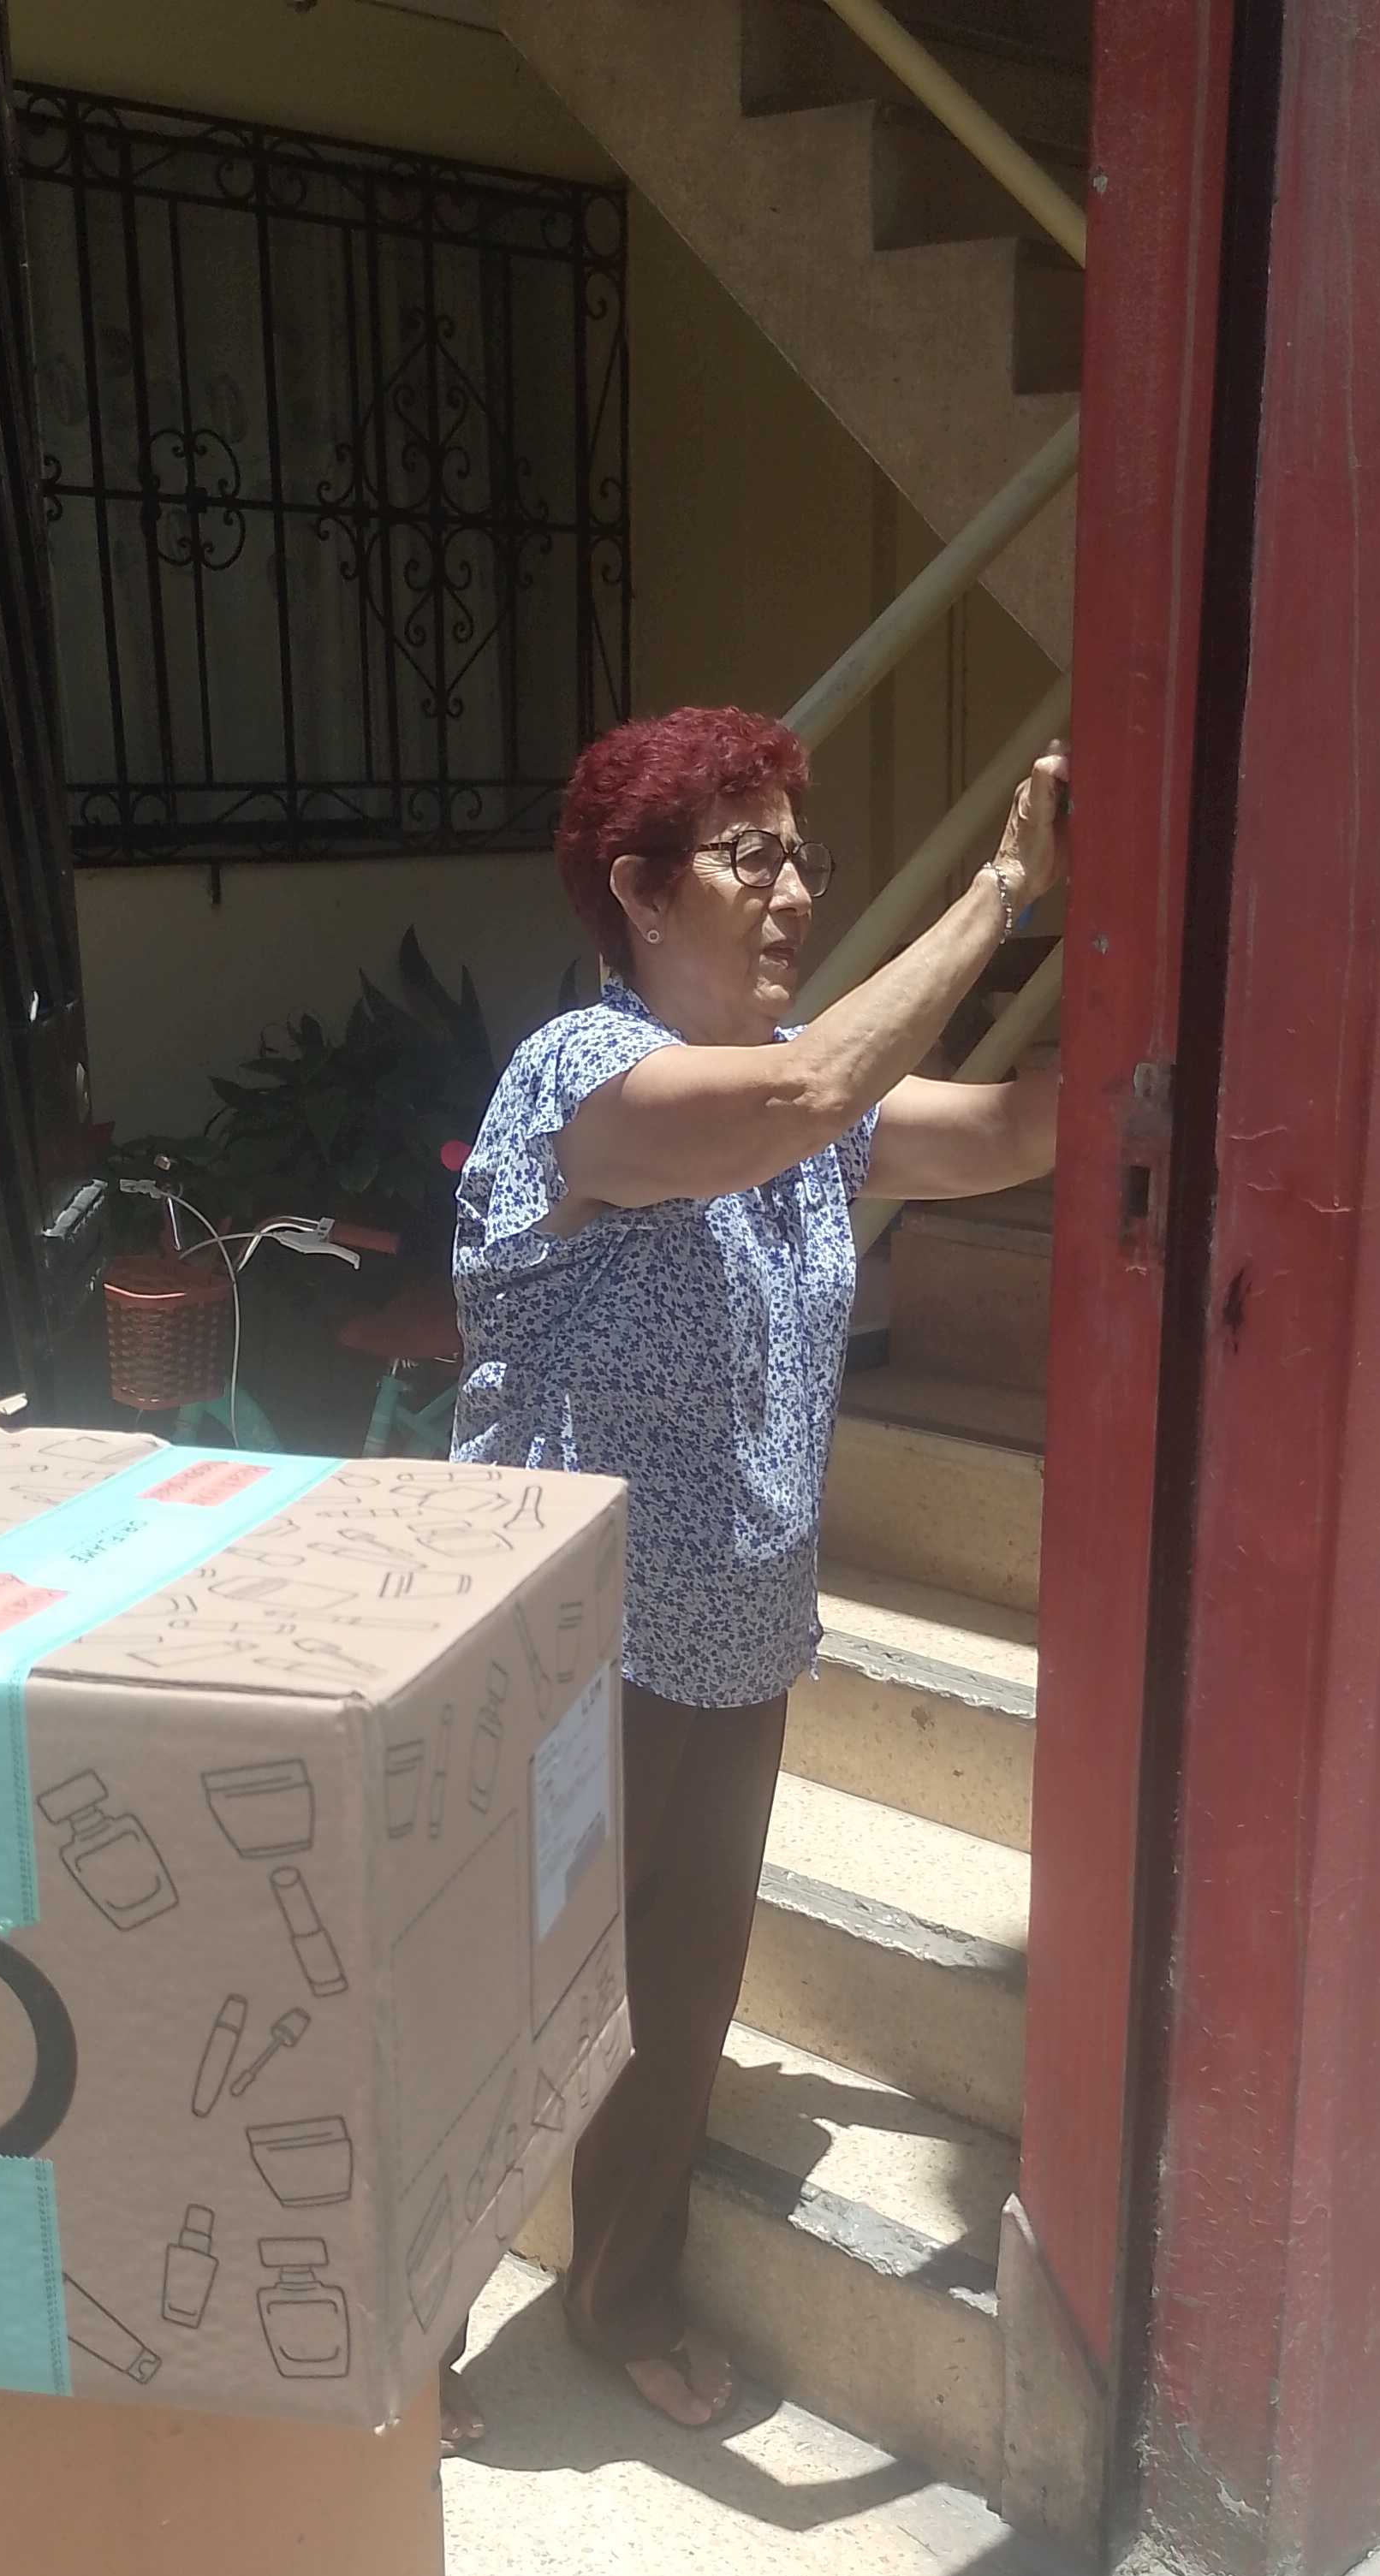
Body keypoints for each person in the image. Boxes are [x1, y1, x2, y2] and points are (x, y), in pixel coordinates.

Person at [445, 702, 1068, 2441]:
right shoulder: (585, 1078)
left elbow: (994, 1136)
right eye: (749, 856)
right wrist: (1003, 891)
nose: (794, 890)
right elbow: (801, 1095)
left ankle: (618, 2297)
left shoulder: (808, 1100)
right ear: (640, 892)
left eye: (802, 855)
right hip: (573, 1641)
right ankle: (400, 2339)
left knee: (677, 1999)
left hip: (736, 1633)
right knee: (504, 2001)